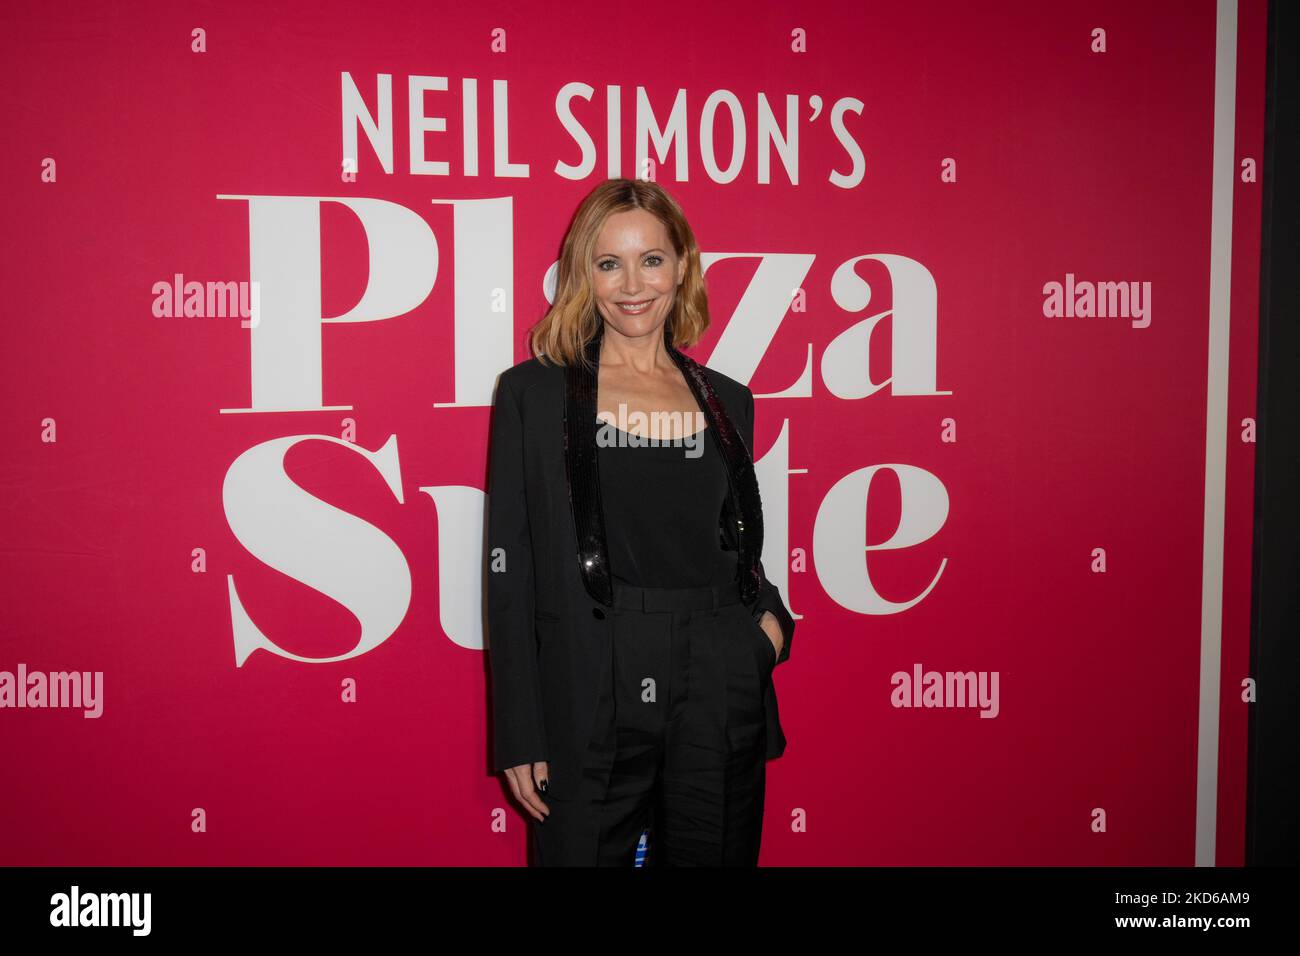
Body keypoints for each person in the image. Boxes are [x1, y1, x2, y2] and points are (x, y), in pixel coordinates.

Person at [485, 177, 795, 866]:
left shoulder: (727, 400)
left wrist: (766, 634)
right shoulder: (533, 394)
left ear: (681, 265)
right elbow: (512, 569)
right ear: (582, 275)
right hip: (591, 677)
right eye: (609, 263)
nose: (633, 283)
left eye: (651, 259)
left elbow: (736, 545)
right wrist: (521, 731)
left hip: (715, 672)